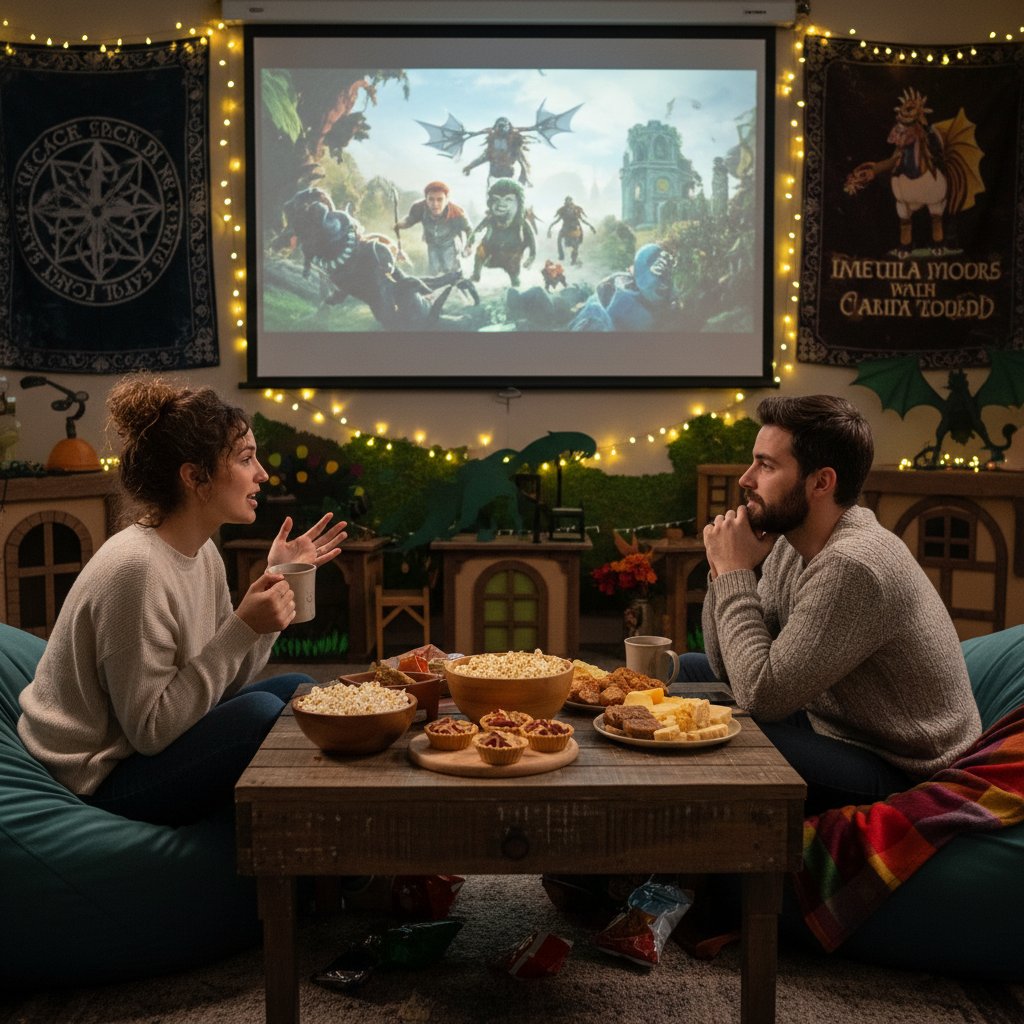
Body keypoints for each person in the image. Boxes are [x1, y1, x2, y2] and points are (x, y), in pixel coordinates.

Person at [17, 373, 348, 827]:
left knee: (299, 688)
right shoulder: (137, 570)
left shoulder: (202, 551)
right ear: (195, 477)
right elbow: (151, 731)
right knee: (262, 711)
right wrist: (243, 628)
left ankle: (335, 832)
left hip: (143, 747)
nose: (262, 475)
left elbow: (217, 687)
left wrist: (274, 585)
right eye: (246, 458)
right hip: (101, 777)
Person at [687, 393, 981, 815]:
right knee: (685, 674)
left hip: (902, 768)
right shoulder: (794, 542)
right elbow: (728, 665)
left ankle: (679, 869)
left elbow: (760, 695)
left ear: (821, 482)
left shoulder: (853, 566)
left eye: (766, 465)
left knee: (723, 733)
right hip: (831, 723)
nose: (746, 479)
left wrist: (733, 573)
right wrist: (723, 573)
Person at [394, 181, 471, 275]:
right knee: (433, 270)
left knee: (450, 269)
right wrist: (400, 224)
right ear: (426, 199)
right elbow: (411, 219)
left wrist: (468, 246)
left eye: (439, 200)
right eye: (431, 199)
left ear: (447, 200)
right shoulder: (419, 208)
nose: (435, 204)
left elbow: (469, 230)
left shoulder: (457, 213)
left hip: (450, 245)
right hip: (432, 244)